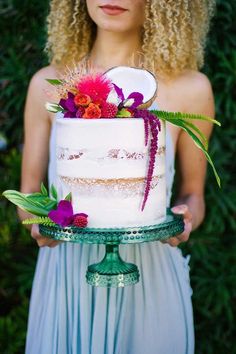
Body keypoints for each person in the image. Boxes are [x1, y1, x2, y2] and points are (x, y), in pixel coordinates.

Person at [19, 1, 216, 353]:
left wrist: (185, 218)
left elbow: (193, 194)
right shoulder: (46, 86)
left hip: (150, 283)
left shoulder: (191, 89)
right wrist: (38, 220)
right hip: (67, 280)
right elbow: (28, 193)